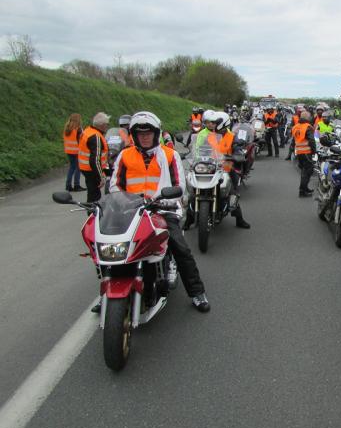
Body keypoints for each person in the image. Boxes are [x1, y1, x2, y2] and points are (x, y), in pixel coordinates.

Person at [110, 111, 210, 313]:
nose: (144, 136)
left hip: (162, 210)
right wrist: (126, 201)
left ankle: (197, 293)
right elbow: (115, 185)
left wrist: (161, 200)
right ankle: (108, 294)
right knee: (113, 248)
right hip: (130, 211)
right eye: (140, 133)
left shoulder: (170, 155)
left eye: (148, 133)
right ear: (134, 135)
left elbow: (178, 185)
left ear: (156, 133)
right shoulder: (125, 155)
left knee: (181, 248)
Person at [194, 110, 251, 229]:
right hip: (210, 166)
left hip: (226, 167)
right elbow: (200, 149)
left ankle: (239, 219)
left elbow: (238, 149)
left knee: (233, 193)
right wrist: (196, 156)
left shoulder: (232, 137)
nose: (213, 125)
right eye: (213, 123)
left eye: (215, 123)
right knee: (195, 188)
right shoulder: (209, 136)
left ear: (222, 123)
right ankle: (189, 219)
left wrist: (237, 155)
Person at [78, 112, 109, 203]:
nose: (107, 126)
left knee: (92, 193)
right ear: (102, 125)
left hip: (85, 168)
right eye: (107, 124)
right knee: (95, 196)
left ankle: (92, 212)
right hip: (92, 170)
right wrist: (101, 177)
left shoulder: (88, 131)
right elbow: (95, 160)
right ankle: (93, 214)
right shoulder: (96, 137)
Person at [291, 111, 316, 197]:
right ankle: (302, 191)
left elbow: (294, 140)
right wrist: (314, 151)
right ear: (306, 117)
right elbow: (312, 140)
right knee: (308, 171)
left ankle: (305, 188)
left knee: (304, 171)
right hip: (306, 152)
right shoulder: (307, 127)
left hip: (299, 152)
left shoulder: (295, 127)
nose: (310, 118)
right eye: (309, 116)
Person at [62, 112, 86, 192]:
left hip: (69, 151)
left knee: (72, 168)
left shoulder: (67, 128)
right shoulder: (78, 129)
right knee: (78, 168)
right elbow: (83, 139)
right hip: (77, 151)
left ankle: (68, 185)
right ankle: (76, 185)